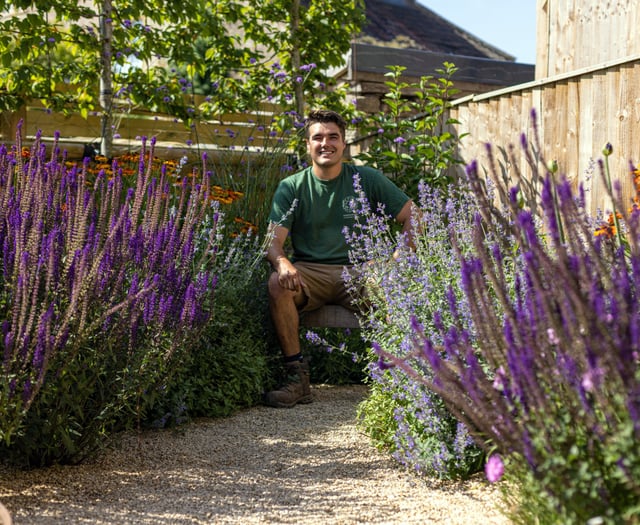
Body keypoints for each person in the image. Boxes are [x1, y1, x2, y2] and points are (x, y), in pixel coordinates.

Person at [264, 109, 418, 408]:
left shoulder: (366, 178)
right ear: (307, 145)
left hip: (363, 271)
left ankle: (395, 380)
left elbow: (415, 217)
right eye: (318, 138)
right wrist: (282, 263)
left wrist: (397, 259)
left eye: (333, 137)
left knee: (392, 285)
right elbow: (273, 241)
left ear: (343, 144)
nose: (326, 144)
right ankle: (297, 379)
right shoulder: (292, 187)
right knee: (276, 283)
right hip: (311, 273)